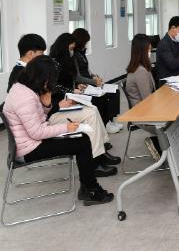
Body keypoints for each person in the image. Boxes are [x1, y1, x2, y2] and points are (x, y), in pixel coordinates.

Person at [3, 55, 114, 205]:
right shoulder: (26, 98)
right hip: (29, 148)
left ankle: (88, 188)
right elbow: (37, 132)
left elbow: (39, 117)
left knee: (81, 138)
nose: (50, 83)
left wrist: (47, 104)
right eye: (49, 79)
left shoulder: (22, 87)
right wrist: (66, 127)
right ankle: (91, 190)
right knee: (82, 143)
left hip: (28, 142)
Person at [12, 34, 121, 177]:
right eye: (41, 53)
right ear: (31, 53)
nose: (43, 56)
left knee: (92, 110)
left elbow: (43, 99)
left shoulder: (30, 70)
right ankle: (94, 162)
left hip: (47, 113)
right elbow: (36, 108)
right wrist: (58, 106)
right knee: (90, 113)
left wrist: (57, 102)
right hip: (43, 121)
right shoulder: (20, 75)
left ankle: (100, 153)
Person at [72, 28, 121, 133]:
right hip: (84, 85)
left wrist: (94, 76)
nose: (86, 44)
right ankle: (105, 123)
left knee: (115, 91)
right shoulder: (74, 56)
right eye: (85, 42)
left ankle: (111, 120)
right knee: (103, 97)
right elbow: (78, 77)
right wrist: (94, 82)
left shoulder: (81, 53)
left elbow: (87, 71)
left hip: (90, 83)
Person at [125, 34, 161, 161]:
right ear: (142, 51)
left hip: (144, 109)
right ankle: (157, 144)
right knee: (172, 122)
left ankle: (159, 143)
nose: (151, 52)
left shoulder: (142, 67)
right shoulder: (140, 71)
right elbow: (148, 100)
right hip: (142, 114)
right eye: (149, 49)